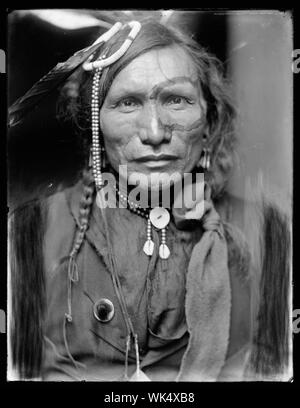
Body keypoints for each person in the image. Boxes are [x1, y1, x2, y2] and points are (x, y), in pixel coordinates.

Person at [8, 17, 291, 381]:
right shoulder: (31, 233)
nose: (155, 132)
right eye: (128, 103)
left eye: (176, 100)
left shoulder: (266, 232)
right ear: (95, 125)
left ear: (209, 117)